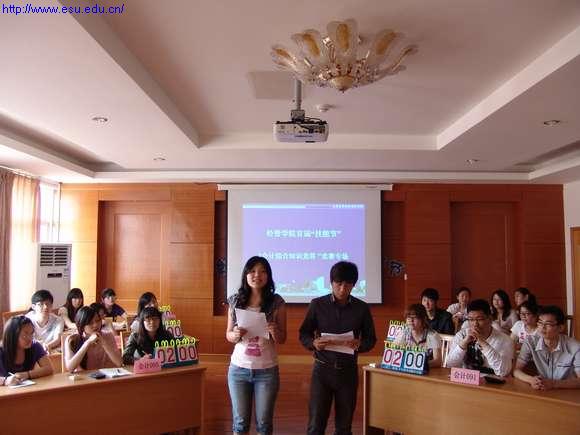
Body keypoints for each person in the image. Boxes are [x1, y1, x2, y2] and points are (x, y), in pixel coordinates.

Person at [299, 261, 376, 435]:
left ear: (354, 285)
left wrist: (360, 345)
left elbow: (371, 339)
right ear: (331, 282)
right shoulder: (317, 304)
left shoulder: (362, 308)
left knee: (344, 426)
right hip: (322, 370)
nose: (342, 289)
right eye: (338, 283)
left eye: (347, 284)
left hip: (348, 372)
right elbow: (304, 333)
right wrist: (313, 343)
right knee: (315, 425)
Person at [226, 256, 287, 435]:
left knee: (264, 424)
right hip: (238, 369)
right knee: (240, 423)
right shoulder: (235, 301)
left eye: (262, 271)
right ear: (246, 274)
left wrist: (275, 331)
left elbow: (282, 339)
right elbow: (228, 334)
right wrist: (235, 334)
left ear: (268, 276)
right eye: (252, 271)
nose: (257, 275)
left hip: (267, 371)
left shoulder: (277, 302)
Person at [514, 305, 580, 390]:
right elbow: (516, 371)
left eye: (548, 324)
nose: (542, 327)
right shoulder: (530, 342)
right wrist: (531, 380)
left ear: (560, 328)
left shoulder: (575, 347)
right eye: (540, 323)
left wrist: (553, 384)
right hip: (543, 390)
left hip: (567, 391)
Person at [446, 299, 514, 377]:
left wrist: (483, 343)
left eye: (479, 319)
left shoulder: (505, 340)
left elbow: (503, 372)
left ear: (490, 319)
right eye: (471, 319)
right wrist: (464, 343)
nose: (475, 324)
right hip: (466, 381)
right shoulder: (461, 335)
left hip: (492, 382)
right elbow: (450, 364)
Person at [64, 306, 122, 372]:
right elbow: (70, 368)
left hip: (108, 376)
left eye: (98, 320)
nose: (95, 325)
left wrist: (103, 343)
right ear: (82, 325)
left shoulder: (108, 336)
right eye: (90, 323)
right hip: (85, 377)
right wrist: (87, 343)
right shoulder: (73, 340)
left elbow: (119, 363)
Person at [0, 315, 53, 386]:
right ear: (12, 335)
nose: (30, 338)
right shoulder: (1, 350)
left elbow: (49, 369)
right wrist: (5, 381)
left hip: (28, 389)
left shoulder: (35, 346)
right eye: (25, 335)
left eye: (31, 334)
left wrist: (27, 374)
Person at [393, 304, 442, 368]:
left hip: (427, 371)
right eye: (408, 317)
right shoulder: (404, 333)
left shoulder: (432, 336)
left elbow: (437, 361)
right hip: (407, 370)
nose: (411, 320)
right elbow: (393, 352)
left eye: (415, 317)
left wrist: (419, 365)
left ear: (423, 319)